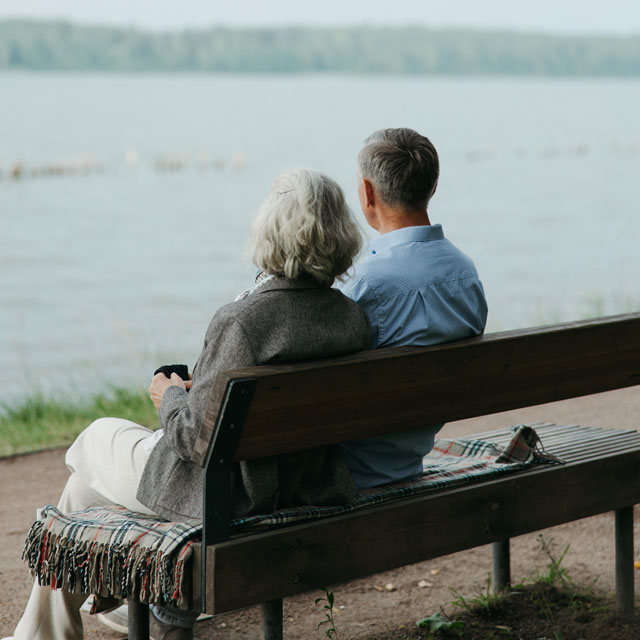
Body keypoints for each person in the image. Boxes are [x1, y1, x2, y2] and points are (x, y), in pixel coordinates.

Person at [7, 169, 371, 640]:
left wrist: (170, 395)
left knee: (97, 437)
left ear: (269, 234)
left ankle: (106, 605)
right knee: (82, 494)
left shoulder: (241, 321)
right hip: (302, 481)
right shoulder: (351, 317)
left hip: (228, 493)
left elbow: (194, 440)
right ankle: (61, 627)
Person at [337, 127, 488, 489]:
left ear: (367, 193)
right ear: (432, 188)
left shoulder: (362, 284)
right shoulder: (465, 274)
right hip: (412, 455)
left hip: (347, 469)